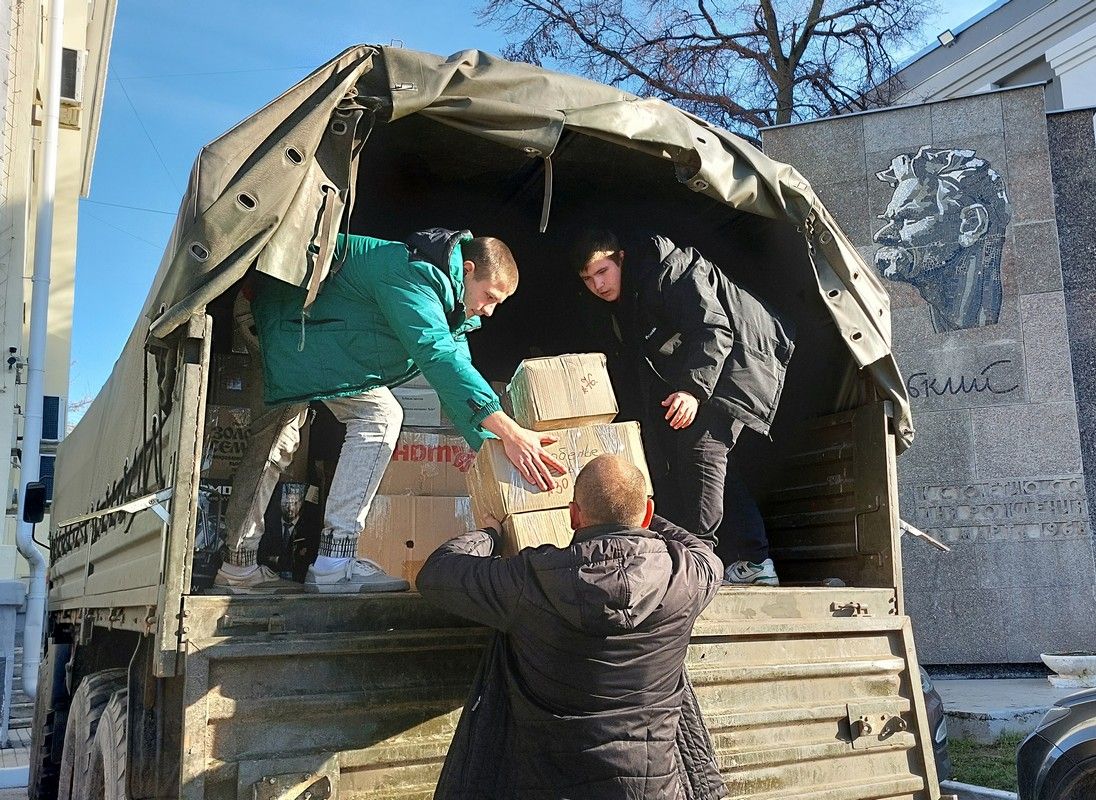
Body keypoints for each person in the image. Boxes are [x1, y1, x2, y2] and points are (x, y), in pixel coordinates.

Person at [213, 228, 565, 594]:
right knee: (375, 416)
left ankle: (238, 566)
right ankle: (333, 563)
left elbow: (455, 384)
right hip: (283, 318)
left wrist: (494, 449)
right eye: (489, 296)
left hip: (301, 326)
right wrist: (511, 432)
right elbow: (438, 357)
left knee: (277, 441)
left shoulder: (450, 308)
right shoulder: (410, 273)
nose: (489, 310)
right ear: (468, 269)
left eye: (498, 304)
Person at [417, 455, 726, 799]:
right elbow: (703, 551)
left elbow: (436, 573)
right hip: (653, 789)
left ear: (574, 515)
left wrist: (490, 533)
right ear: (649, 513)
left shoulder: (530, 579)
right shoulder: (686, 577)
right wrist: (641, 517)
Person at [575, 228, 794, 586]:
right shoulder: (626, 302)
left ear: (621, 260)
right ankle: (752, 560)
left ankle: (699, 569)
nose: (598, 285)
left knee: (701, 455)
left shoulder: (668, 270)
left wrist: (693, 391)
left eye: (602, 271)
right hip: (706, 377)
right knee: (708, 468)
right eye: (588, 279)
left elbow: (714, 330)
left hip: (737, 365)